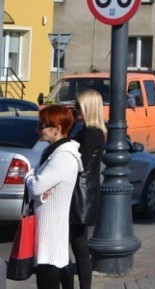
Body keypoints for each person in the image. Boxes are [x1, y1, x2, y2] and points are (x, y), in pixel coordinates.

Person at [26, 104, 82, 289]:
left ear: (57, 129)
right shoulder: (51, 152)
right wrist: (36, 182)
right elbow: (38, 184)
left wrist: (30, 178)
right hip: (46, 230)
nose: (37, 129)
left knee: (48, 278)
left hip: (51, 232)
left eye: (41, 125)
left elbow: (35, 186)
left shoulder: (64, 156)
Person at [61, 90, 107, 289]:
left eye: (78, 106)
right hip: (83, 195)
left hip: (78, 197)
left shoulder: (89, 133)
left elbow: (80, 164)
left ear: (87, 108)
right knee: (78, 247)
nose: (74, 109)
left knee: (70, 249)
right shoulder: (92, 131)